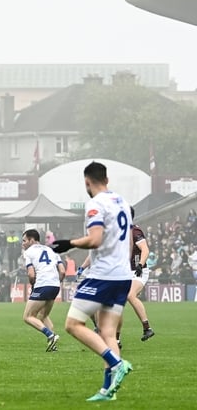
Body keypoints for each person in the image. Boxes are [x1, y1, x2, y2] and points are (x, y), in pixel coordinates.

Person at [50, 161, 133, 402]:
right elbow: (127, 243)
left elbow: (95, 240)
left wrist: (70, 243)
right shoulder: (123, 202)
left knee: (72, 324)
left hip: (103, 275)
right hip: (122, 275)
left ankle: (116, 364)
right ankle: (109, 391)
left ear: (87, 182)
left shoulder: (95, 204)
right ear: (106, 178)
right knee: (108, 333)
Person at [21, 229, 66, 352]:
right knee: (43, 315)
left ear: (32, 240)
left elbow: (31, 274)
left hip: (42, 284)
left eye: (24, 240)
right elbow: (62, 271)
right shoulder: (51, 250)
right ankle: (53, 345)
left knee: (28, 316)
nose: (23, 243)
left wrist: (33, 284)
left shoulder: (29, 252)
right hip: (55, 285)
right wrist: (57, 282)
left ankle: (50, 335)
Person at [122, 206, 155, 342]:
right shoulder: (120, 231)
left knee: (130, 295)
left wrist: (140, 265)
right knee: (116, 303)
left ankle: (147, 328)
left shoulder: (135, 231)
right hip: (124, 272)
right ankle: (116, 338)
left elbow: (145, 249)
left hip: (137, 270)